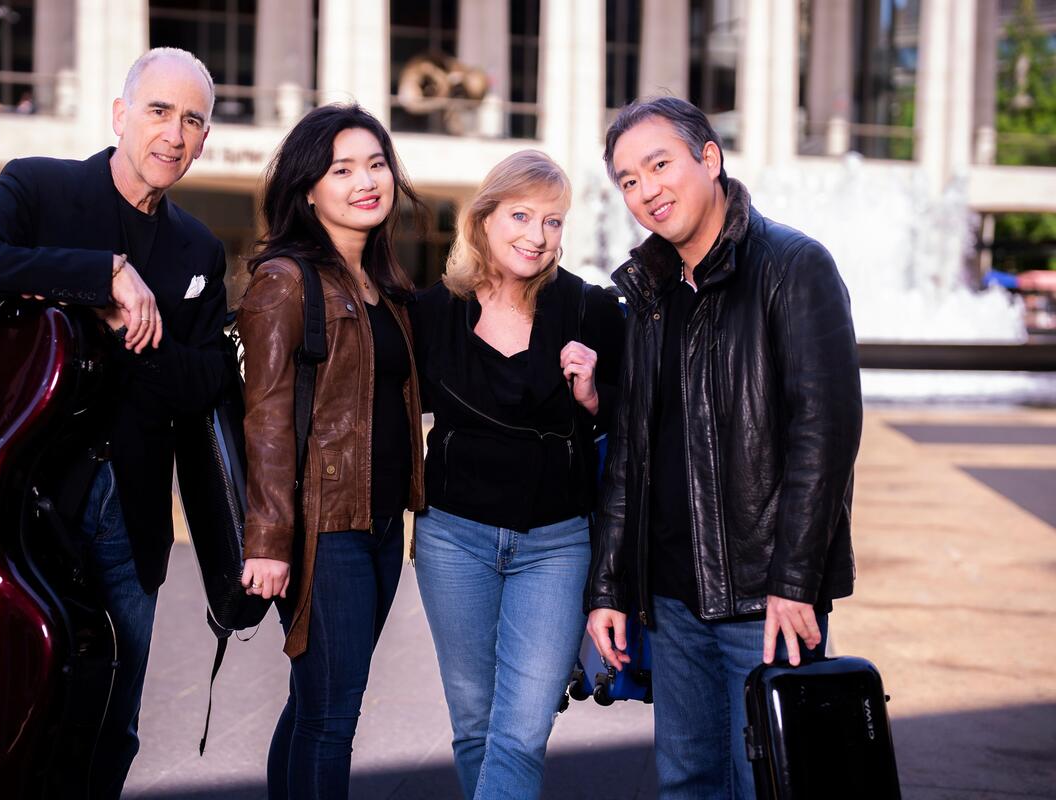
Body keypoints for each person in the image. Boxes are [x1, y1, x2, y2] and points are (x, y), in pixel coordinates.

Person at [0, 47, 227, 798]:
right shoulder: (40, 185)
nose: (174, 133)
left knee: (113, 721)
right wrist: (99, 273)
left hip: (133, 518)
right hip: (29, 508)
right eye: (160, 111)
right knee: (16, 706)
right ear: (120, 114)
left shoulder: (201, 248)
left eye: (193, 120)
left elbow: (204, 383)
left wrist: (133, 335)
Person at [584, 96, 863, 800]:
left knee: (772, 781)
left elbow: (824, 434)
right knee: (688, 782)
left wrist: (796, 581)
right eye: (627, 179)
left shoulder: (792, 265)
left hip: (763, 596)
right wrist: (611, 587)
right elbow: (630, 456)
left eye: (659, 164)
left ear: (709, 159)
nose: (645, 189)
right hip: (673, 599)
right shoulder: (647, 292)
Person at [410, 150, 625, 800]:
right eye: (522, 215)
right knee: (476, 727)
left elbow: (639, 419)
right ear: (484, 218)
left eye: (553, 222)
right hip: (453, 539)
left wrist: (593, 398)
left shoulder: (589, 310)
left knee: (521, 732)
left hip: (556, 545)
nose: (536, 235)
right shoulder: (432, 313)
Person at [237, 103, 426, 800]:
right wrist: (268, 541)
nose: (365, 181)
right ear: (307, 187)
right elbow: (266, 415)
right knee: (332, 718)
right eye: (342, 169)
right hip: (324, 530)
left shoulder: (385, 288)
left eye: (376, 164)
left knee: (314, 706)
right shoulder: (286, 280)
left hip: (378, 526)